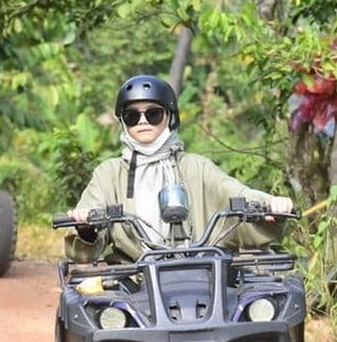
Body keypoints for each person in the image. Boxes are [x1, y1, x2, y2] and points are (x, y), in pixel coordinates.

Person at [65, 74, 294, 263]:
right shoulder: (108, 174)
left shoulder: (196, 166)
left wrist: (269, 203)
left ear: (170, 116)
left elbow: (234, 192)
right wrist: (86, 227)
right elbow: (89, 210)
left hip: (202, 268)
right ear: (123, 122)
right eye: (132, 116)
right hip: (134, 277)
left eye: (153, 114)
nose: (143, 121)